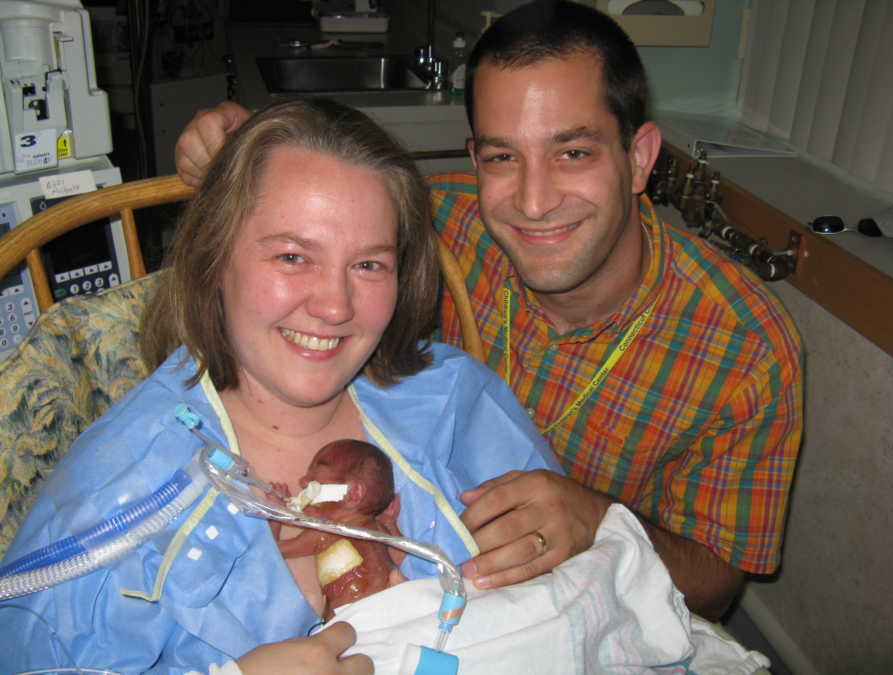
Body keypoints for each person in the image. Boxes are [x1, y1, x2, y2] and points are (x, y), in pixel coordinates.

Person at [173, 1, 803, 622]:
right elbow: (317, 202)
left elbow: (717, 587)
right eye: (504, 157)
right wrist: (238, 143)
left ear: (638, 157)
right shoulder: (427, 232)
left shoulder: (744, 346)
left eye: (573, 153)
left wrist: (600, 521)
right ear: (475, 160)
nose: (533, 202)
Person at [0, 98, 559, 674]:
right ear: (215, 257)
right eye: (293, 256)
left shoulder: (457, 405)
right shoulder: (119, 494)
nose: (335, 305)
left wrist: (593, 528)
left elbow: (593, 601)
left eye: (369, 265)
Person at [272, 439, 396, 616]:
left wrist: (274, 517)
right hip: (387, 611)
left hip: (351, 619)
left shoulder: (326, 534)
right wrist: (391, 523)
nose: (303, 481)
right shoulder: (377, 529)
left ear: (353, 493)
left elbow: (274, 550)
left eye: (315, 482)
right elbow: (401, 557)